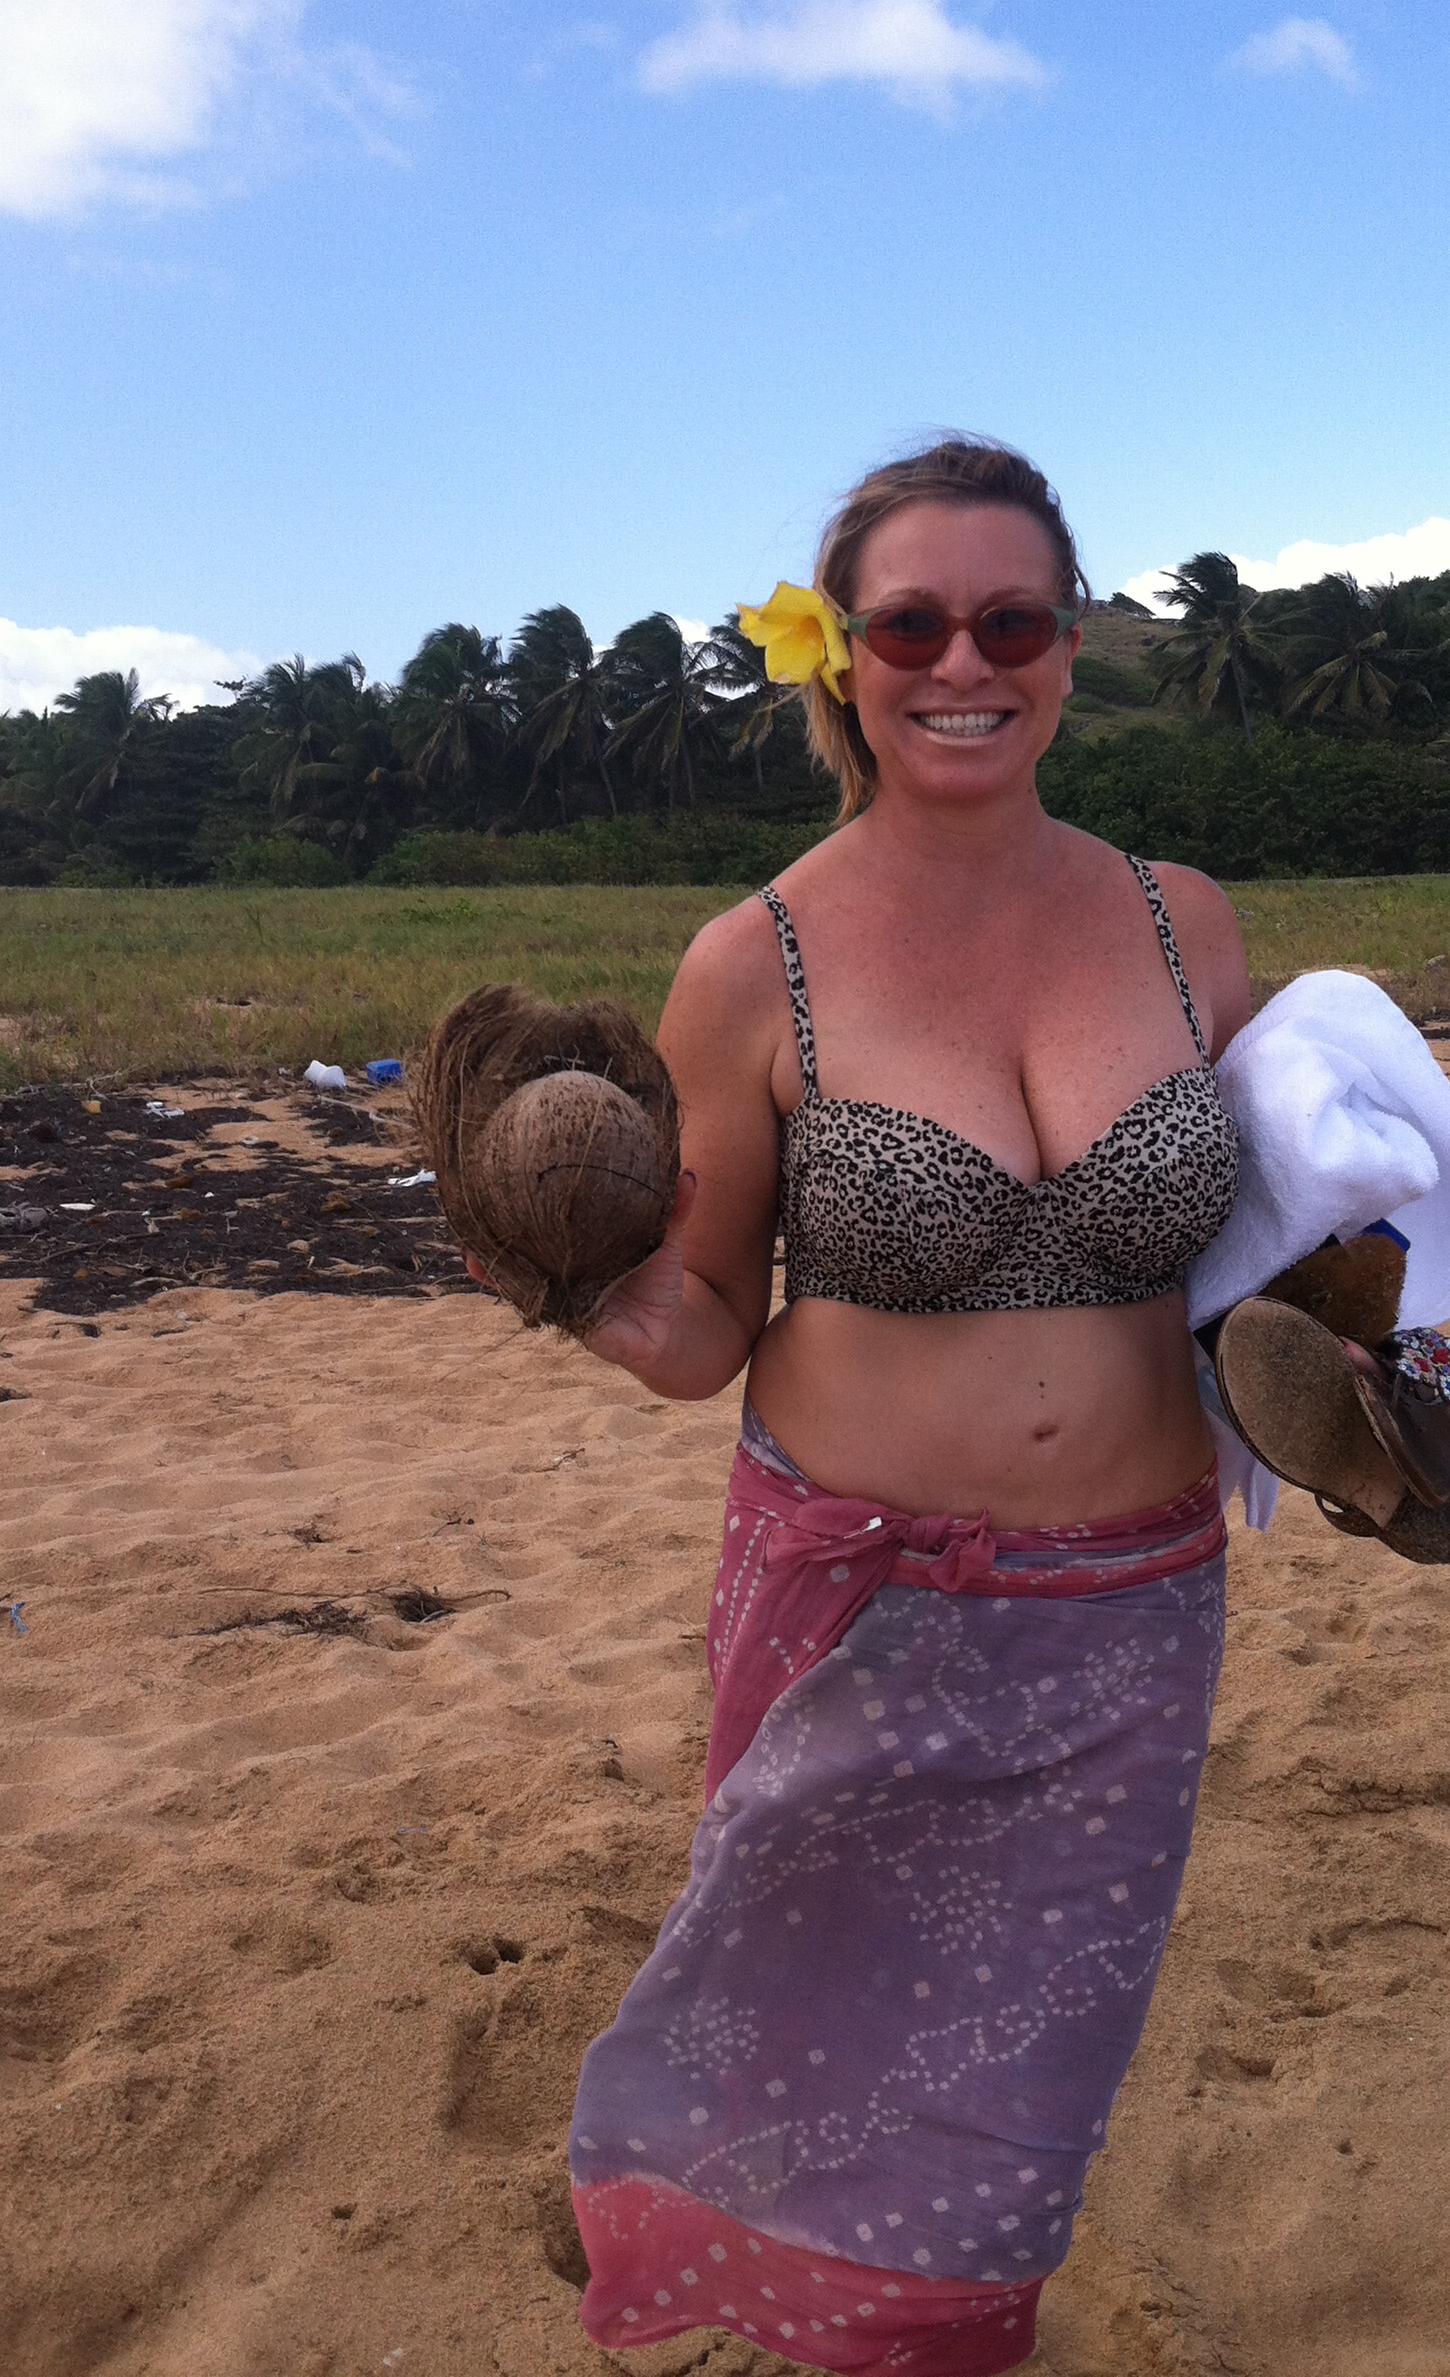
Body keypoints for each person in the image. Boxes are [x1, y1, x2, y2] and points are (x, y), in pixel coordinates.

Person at [562, 438, 1251, 2376]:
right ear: (839, 657)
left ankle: (946, 2332)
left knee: (1020, 2098)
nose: (964, 663)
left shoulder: (1186, 924)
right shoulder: (749, 962)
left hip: (1130, 1609)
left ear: (1068, 646)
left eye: (1011, 621)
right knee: (798, 2012)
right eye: (912, 624)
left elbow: (1274, 1256)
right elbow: (708, 1321)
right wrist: (578, 1285)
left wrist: (1377, 1360)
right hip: (857, 1597)